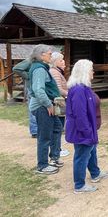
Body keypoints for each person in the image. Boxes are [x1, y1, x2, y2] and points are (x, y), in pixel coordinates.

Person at [65, 59, 108, 194]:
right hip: (83, 131)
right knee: (82, 156)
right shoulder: (78, 90)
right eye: (91, 70)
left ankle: (95, 173)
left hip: (90, 129)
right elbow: (80, 114)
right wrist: (86, 131)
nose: (93, 72)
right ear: (84, 72)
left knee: (91, 151)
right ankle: (79, 185)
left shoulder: (84, 87)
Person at [29, 44, 63, 175]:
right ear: (42, 55)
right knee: (44, 136)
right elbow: (38, 90)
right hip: (42, 107)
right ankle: (42, 165)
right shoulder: (39, 69)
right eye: (49, 54)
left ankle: (54, 158)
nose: (51, 55)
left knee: (57, 128)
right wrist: (48, 105)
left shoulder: (41, 67)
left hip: (46, 105)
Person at [49, 52, 70, 157]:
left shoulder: (56, 71)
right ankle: (57, 150)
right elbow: (58, 89)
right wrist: (70, 94)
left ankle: (57, 149)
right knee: (58, 127)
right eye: (61, 60)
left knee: (59, 127)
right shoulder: (55, 72)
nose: (64, 62)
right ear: (55, 62)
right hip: (58, 103)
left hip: (59, 102)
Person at [13, 58, 38, 137]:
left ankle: (37, 130)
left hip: (38, 88)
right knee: (32, 108)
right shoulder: (30, 60)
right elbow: (16, 68)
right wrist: (28, 76)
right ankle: (34, 131)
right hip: (31, 88)